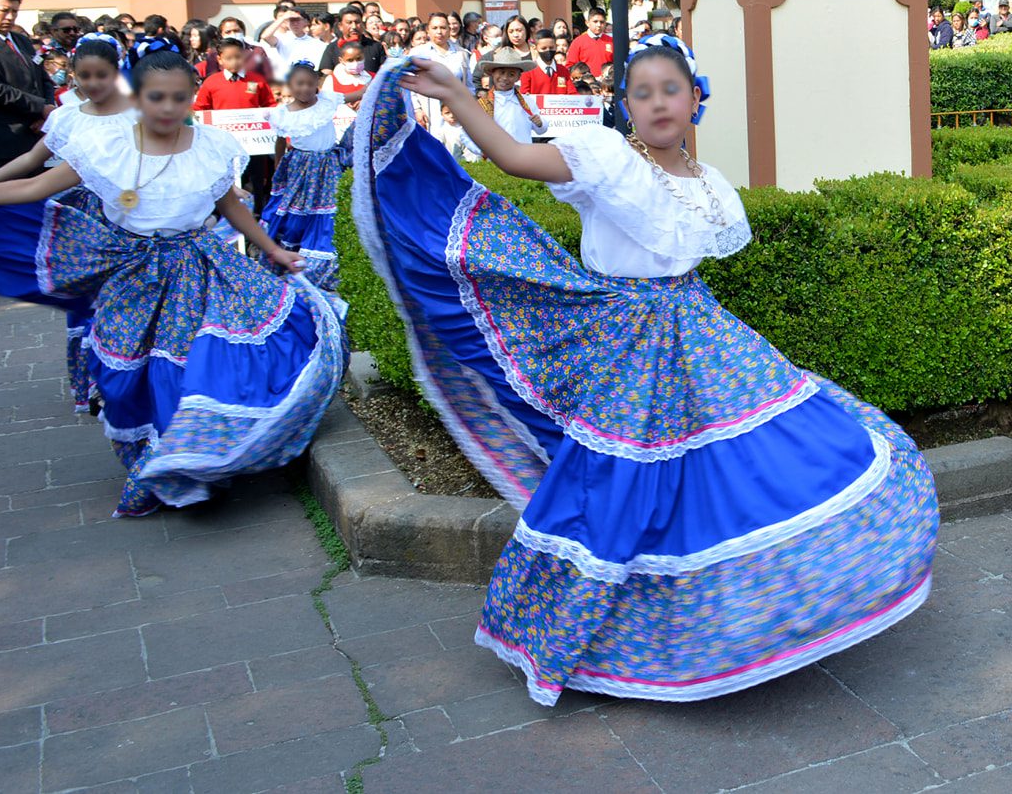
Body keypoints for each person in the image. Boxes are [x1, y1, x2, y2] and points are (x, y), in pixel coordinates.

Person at [362, 35, 936, 703]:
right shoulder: (604, 156)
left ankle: (740, 616)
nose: (658, 102)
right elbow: (515, 157)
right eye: (642, 92)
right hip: (625, 344)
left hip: (699, 334)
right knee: (621, 486)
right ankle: (579, 631)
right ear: (625, 105)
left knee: (758, 459)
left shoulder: (710, 185)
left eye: (671, 89)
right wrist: (460, 97)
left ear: (696, 98)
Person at [0, 50, 345, 516]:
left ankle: (183, 466)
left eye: (179, 97)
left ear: (193, 96)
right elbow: (32, 188)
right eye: (157, 97)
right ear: (139, 97)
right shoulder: (106, 147)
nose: (168, 108)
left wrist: (271, 249)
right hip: (131, 271)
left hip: (200, 268)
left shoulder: (209, 145)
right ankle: (155, 458)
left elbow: (228, 205)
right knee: (120, 375)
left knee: (188, 365)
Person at [0, 34, 135, 414]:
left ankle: (125, 381)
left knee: (126, 304)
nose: (94, 83)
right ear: (74, 75)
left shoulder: (139, 113)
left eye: (103, 74)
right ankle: (99, 385)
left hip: (129, 219)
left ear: (117, 73)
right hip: (78, 218)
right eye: (85, 75)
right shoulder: (67, 116)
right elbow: (31, 164)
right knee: (86, 303)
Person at [261, 63, 349, 289]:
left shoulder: (327, 102)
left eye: (310, 84)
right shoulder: (282, 114)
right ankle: (290, 257)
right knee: (297, 212)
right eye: (300, 84)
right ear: (290, 85)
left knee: (328, 210)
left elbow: (358, 94)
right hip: (301, 168)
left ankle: (323, 266)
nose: (306, 89)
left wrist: (383, 80)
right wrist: (278, 166)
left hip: (328, 166)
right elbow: (280, 141)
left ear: (317, 85)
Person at [195, 36, 276, 211]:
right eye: (229, 58)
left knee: (256, 180)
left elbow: (270, 104)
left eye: (238, 57)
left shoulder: (256, 79)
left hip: (254, 143)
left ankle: (257, 216)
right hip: (223, 144)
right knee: (226, 180)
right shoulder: (211, 82)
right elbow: (200, 109)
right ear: (220, 59)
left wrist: (267, 116)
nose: (234, 61)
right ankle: (224, 217)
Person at [0, 0, 52, 166]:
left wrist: (47, 111)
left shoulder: (22, 41)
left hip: (36, 134)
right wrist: (39, 107)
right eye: (4, 11)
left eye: (15, 11)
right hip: (4, 137)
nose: (10, 17)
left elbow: (43, 77)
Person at [260, 5, 327, 82]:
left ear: (306, 22)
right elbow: (265, 36)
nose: (295, 23)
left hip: (309, 81)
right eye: (292, 20)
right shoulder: (282, 39)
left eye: (298, 20)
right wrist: (283, 18)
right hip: (286, 81)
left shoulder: (317, 43)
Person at [569, 6, 614, 75]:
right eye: (595, 22)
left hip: (607, 82)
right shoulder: (577, 42)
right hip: (586, 83)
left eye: (602, 22)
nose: (599, 25)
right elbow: (571, 65)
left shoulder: (611, 41)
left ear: (605, 23)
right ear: (587, 23)